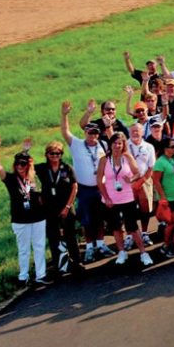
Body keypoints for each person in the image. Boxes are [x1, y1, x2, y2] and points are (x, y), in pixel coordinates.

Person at [60, 100, 115, 263]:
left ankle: (101, 244)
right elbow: (65, 132)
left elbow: (115, 143)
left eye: (96, 133)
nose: (93, 136)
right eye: (90, 133)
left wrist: (109, 126)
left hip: (100, 188)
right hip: (84, 189)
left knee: (99, 218)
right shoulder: (76, 145)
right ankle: (90, 248)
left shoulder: (103, 145)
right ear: (85, 132)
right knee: (86, 220)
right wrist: (64, 115)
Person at [0, 136, 50, 286]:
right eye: (17, 163)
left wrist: (25, 152)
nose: (20, 166)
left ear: (28, 165)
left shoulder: (33, 179)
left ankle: (40, 275)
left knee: (39, 246)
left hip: (38, 217)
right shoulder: (10, 179)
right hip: (20, 220)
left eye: (23, 164)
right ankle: (23, 276)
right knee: (23, 249)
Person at [96, 132, 152, 266]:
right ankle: (121, 252)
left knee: (132, 227)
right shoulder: (104, 159)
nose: (117, 146)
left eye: (120, 143)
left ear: (123, 145)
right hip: (111, 200)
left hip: (127, 198)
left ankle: (143, 253)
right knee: (116, 227)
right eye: (114, 143)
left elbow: (138, 172)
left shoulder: (127, 157)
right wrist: (106, 198)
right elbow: (99, 180)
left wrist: (131, 179)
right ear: (110, 144)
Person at [34, 140, 78, 278]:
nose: (55, 156)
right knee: (54, 238)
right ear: (46, 154)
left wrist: (67, 207)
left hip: (66, 207)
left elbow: (74, 187)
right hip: (49, 209)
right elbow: (25, 170)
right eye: (52, 153)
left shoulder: (67, 168)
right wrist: (37, 194)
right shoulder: (41, 168)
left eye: (58, 153)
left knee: (70, 236)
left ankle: (76, 263)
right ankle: (59, 266)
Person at [151, 137, 174, 258]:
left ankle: (173, 243)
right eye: (173, 146)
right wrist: (162, 197)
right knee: (172, 222)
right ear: (165, 149)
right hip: (168, 198)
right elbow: (156, 181)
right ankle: (166, 245)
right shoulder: (161, 162)